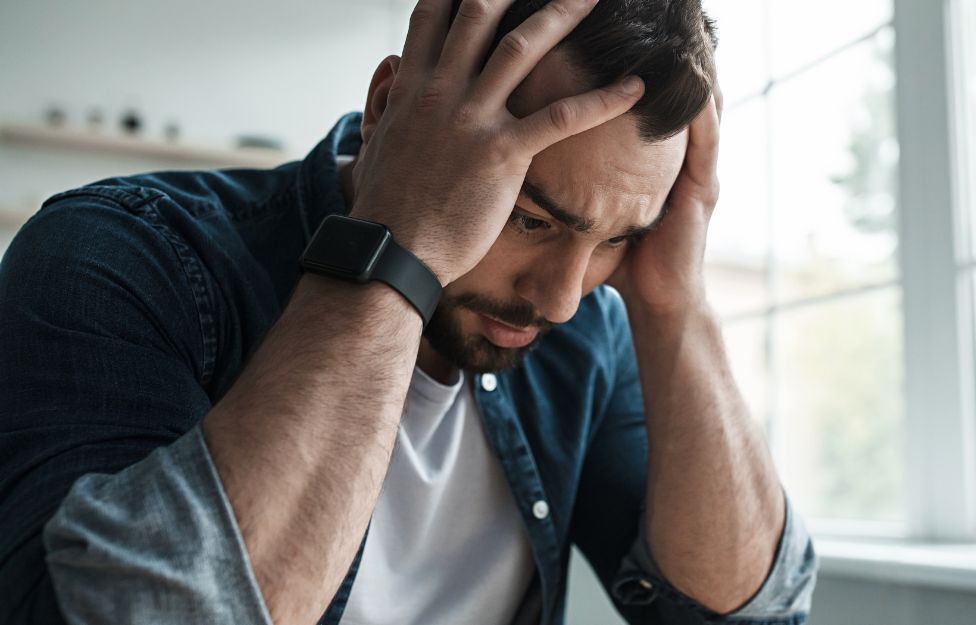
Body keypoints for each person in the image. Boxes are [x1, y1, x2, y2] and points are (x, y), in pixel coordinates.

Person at [0, 0, 817, 623]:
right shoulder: (122, 252)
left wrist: (677, 307)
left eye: (616, 240)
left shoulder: (590, 334)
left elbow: (745, 611)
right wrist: (402, 245)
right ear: (391, 108)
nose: (563, 298)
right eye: (531, 218)